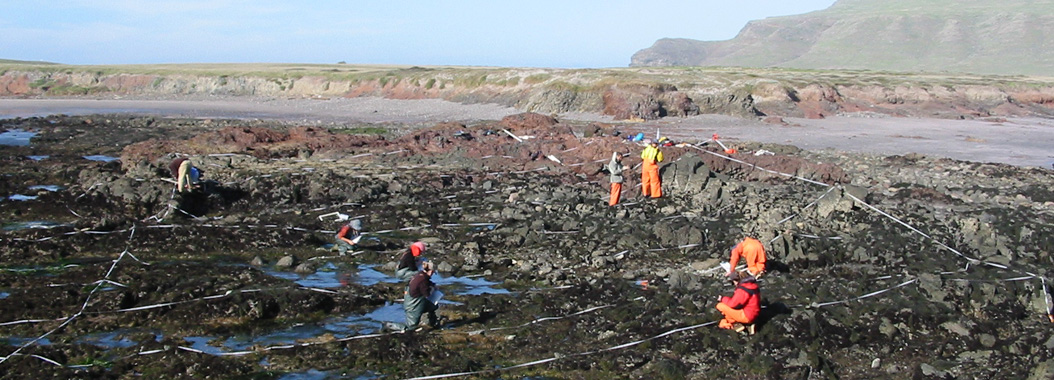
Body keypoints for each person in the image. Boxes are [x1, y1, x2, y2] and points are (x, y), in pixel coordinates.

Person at [402, 261, 440, 330]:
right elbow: (427, 294)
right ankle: (390, 326)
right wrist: (433, 289)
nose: (433, 274)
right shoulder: (423, 280)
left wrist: (433, 285)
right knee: (411, 327)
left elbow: (427, 283)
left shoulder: (420, 274)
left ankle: (433, 323)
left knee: (433, 306)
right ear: (431, 271)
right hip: (413, 304)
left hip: (414, 299)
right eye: (433, 273)